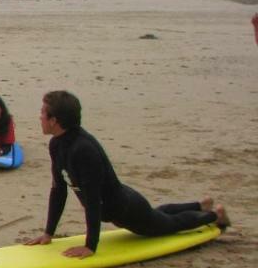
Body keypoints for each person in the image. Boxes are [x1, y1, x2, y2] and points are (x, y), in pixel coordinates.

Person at [25, 90, 229, 258]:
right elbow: (59, 190)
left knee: (167, 225)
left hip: (126, 210)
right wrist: (48, 233)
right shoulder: (57, 145)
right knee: (158, 214)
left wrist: (90, 246)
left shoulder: (83, 150)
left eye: (43, 112)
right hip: (120, 206)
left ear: (54, 120)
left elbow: (93, 200)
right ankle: (200, 205)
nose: (40, 116)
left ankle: (215, 216)